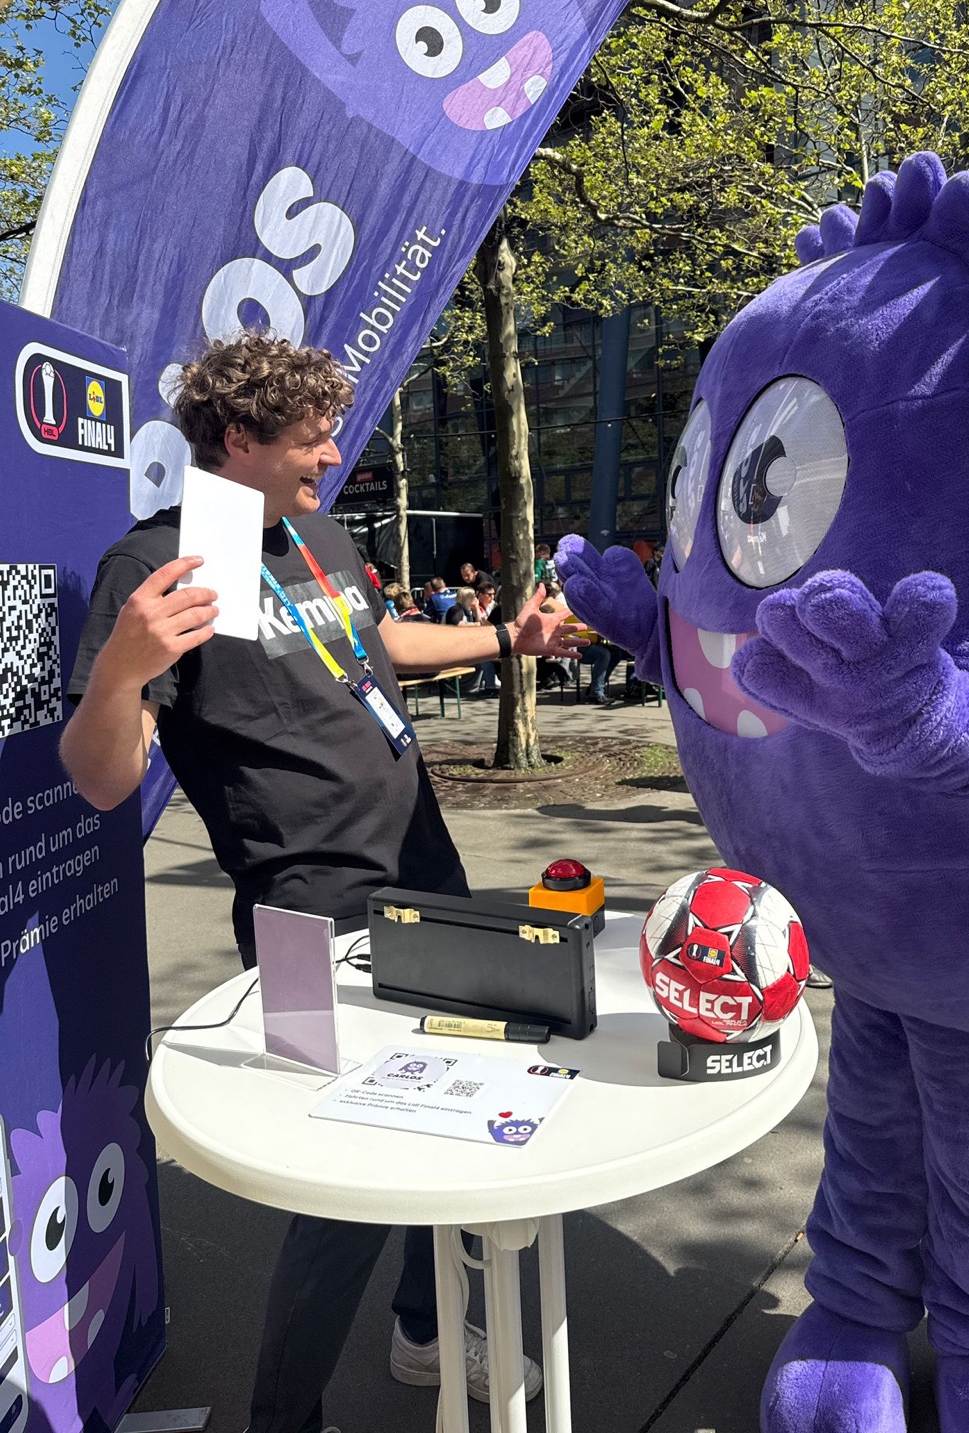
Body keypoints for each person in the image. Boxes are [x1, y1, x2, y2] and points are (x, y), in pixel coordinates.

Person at [61, 333, 581, 1433]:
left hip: (422, 879)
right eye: (312, 438)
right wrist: (118, 670)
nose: (332, 454)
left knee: (440, 1126)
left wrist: (505, 637)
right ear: (237, 440)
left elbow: (373, 639)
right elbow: (101, 782)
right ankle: (281, 1417)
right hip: (301, 921)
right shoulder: (163, 565)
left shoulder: (310, 532)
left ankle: (424, 1331)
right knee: (339, 1179)